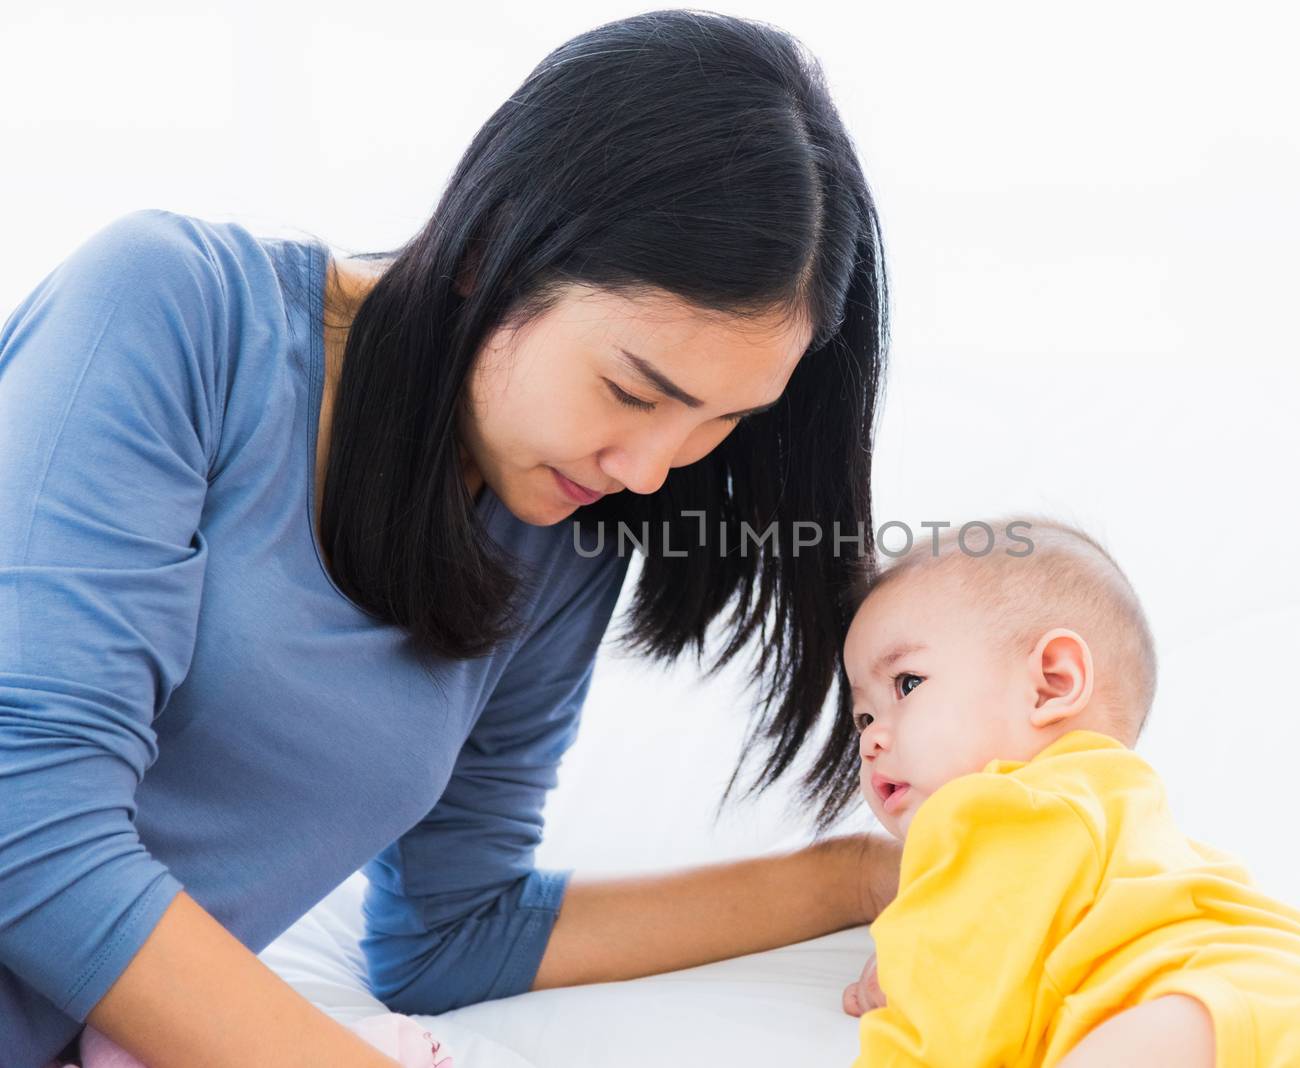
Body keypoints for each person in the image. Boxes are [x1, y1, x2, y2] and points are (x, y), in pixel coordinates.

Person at [0, 11, 902, 1066]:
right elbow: (24, 812)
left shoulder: (562, 530)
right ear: (490, 249)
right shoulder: (175, 308)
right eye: (630, 389)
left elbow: (450, 935)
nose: (654, 469)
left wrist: (864, 877)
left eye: (721, 422)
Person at [839, 517, 1300, 1066]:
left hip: (1225, 1019)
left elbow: (945, 1031)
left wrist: (917, 972)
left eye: (907, 682)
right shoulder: (1110, 822)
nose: (871, 740)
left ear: (1051, 683)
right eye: (863, 717)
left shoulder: (997, 809)